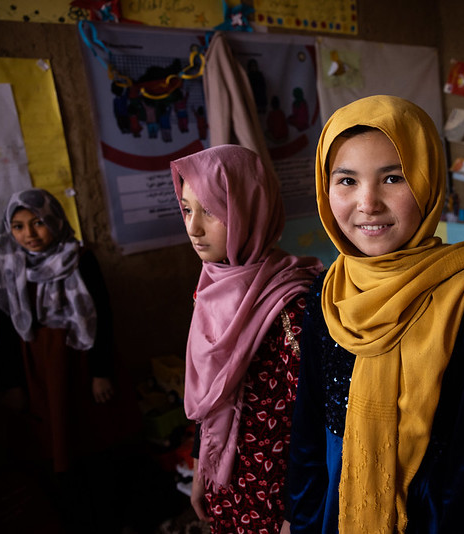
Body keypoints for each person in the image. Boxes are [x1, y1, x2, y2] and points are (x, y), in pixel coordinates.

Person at [286, 95, 464, 532]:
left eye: (393, 177)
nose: (367, 203)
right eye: (346, 181)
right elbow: (308, 423)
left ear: (428, 182)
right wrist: (301, 517)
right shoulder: (329, 292)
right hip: (333, 502)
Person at [170, 145, 322, 534]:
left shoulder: (292, 306)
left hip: (274, 491)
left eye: (211, 211)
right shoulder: (211, 287)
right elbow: (213, 401)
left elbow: (313, 425)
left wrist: (296, 514)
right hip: (228, 479)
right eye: (187, 209)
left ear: (249, 210)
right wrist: (201, 467)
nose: (193, 227)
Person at [0, 187, 139, 532]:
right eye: (19, 226)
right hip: (37, 368)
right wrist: (11, 384)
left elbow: (102, 317)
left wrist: (101, 373)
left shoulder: (79, 258)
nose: (30, 234)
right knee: (50, 442)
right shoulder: (5, 269)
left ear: (55, 220)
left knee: (92, 437)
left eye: (38, 222)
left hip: (78, 360)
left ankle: (107, 514)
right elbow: (5, 334)